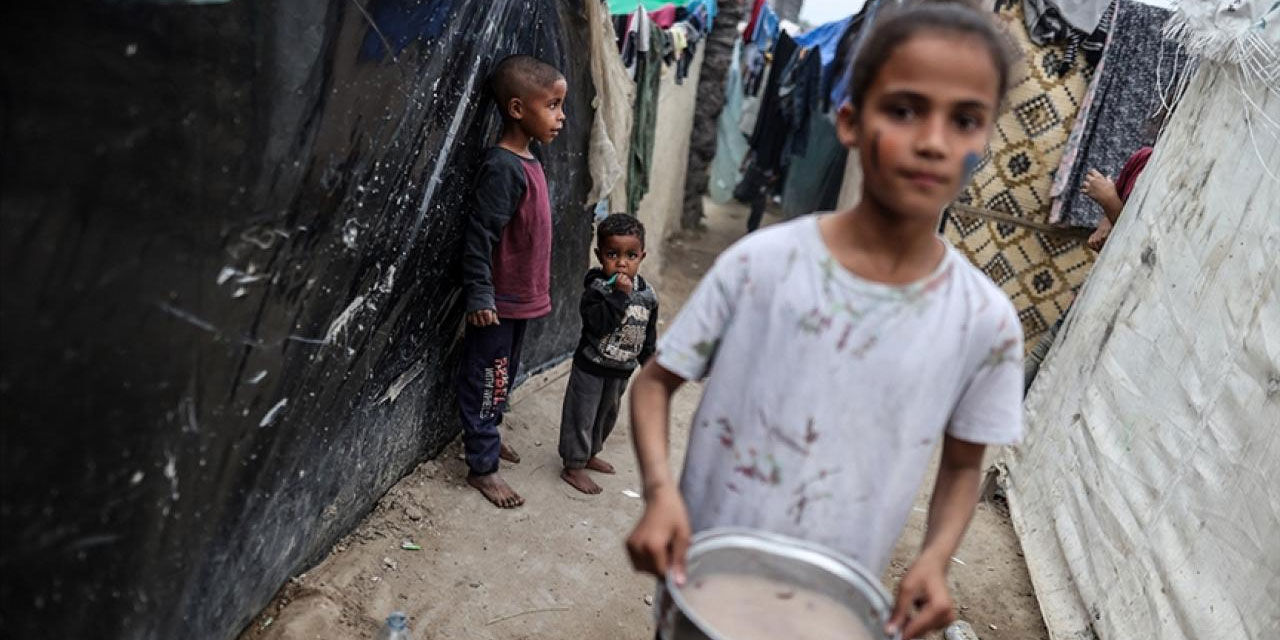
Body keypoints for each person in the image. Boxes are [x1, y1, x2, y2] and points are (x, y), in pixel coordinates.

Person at [624, 3, 1024, 638]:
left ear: (983, 141)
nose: (933, 140)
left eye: (966, 119)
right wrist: (660, 492)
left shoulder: (985, 324)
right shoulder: (762, 266)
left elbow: (961, 465)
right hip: (704, 580)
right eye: (904, 109)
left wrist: (935, 559)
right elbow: (653, 384)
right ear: (849, 121)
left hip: (831, 600)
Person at [457, 54, 566, 509]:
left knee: (503, 377)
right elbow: (478, 236)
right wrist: (480, 293)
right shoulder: (502, 167)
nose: (561, 117)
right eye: (553, 105)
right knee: (486, 379)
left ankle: (490, 436)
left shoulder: (529, 162)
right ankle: (482, 467)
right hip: (497, 302)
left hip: (522, 300)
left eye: (562, 106)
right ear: (518, 109)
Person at [558, 214, 659, 495]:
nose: (622, 262)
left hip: (621, 368)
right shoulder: (597, 289)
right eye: (612, 254)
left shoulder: (648, 295)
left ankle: (590, 452)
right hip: (591, 365)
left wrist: (650, 364)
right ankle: (573, 465)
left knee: (606, 415)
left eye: (631, 255)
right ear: (599, 255)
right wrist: (618, 296)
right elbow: (597, 324)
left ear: (642, 256)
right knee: (582, 415)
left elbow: (648, 332)